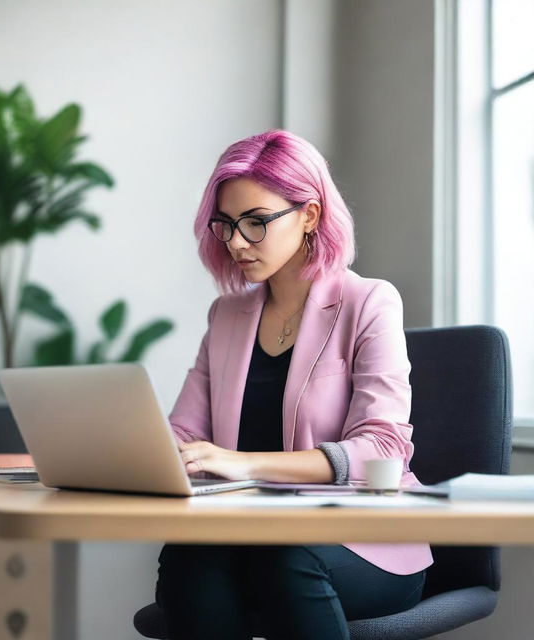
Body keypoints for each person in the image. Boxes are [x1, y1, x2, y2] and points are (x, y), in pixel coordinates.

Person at [154, 129, 433, 640]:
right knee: (189, 555)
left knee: (286, 558)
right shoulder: (227, 316)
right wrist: (142, 453)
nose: (236, 241)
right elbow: (184, 434)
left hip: (362, 540)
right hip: (254, 534)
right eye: (226, 225)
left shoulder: (368, 301)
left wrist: (243, 462)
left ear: (309, 214)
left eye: (256, 223)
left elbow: (383, 448)